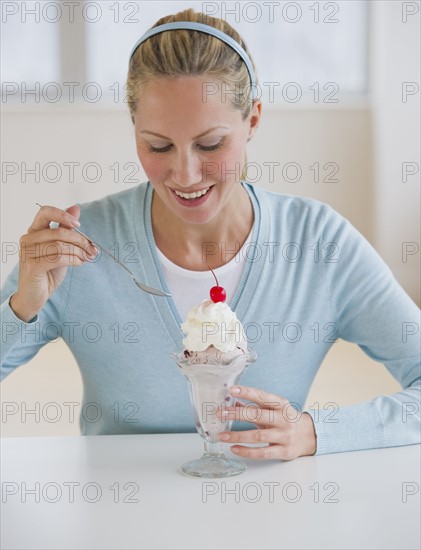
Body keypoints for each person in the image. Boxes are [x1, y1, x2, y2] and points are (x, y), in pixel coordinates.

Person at [1, 9, 420, 461]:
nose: (185, 174)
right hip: (121, 519)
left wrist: (315, 432)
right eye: (158, 145)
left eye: (211, 144)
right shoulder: (82, 247)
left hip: (271, 518)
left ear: (253, 121)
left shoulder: (319, 242)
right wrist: (21, 306)